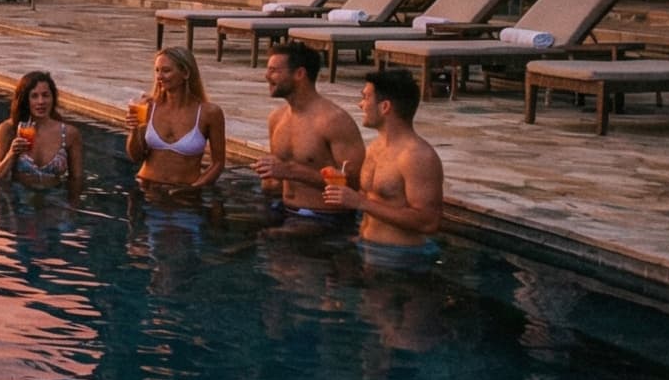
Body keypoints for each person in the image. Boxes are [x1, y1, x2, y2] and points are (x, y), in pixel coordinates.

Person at [318, 68, 444, 268]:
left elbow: (428, 222)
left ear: (385, 106)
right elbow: (373, 197)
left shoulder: (417, 157)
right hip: (366, 246)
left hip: (401, 257)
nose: (360, 104)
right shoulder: (375, 147)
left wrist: (360, 202)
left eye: (366, 97)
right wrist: (345, 186)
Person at [251, 41, 365, 229]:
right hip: (283, 210)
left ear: (299, 74)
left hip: (324, 218)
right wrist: (270, 181)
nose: (266, 76)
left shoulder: (334, 121)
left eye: (274, 70)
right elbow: (277, 178)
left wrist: (292, 171)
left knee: (278, 239)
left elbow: (355, 185)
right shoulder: (277, 118)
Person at [124, 46, 226, 191]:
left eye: (166, 71)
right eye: (157, 70)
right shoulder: (148, 107)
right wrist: (134, 131)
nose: (159, 76)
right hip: (147, 190)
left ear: (185, 73)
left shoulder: (209, 113)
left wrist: (195, 187)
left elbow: (218, 163)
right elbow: (135, 157)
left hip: (185, 195)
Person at [0, 69, 81, 194]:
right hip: (18, 202)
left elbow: (76, 180)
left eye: (45, 95)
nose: (41, 102)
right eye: (34, 96)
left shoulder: (69, 134)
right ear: (25, 100)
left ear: (53, 98)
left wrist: (72, 210)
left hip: (55, 202)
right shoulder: (9, 129)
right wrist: (11, 154)